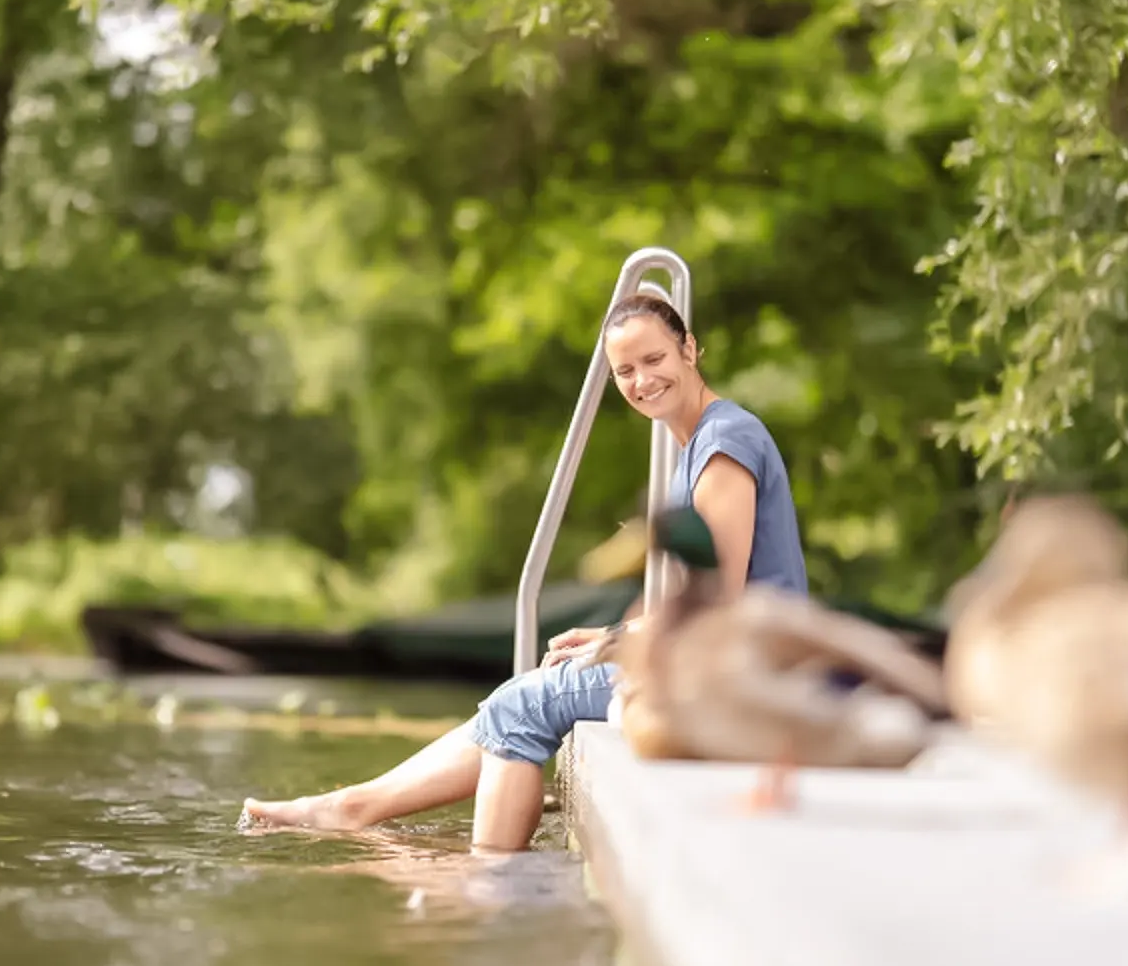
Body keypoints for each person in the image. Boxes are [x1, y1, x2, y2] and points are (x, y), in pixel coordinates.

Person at [240, 291, 808, 850]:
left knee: (525, 705)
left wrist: (624, 643)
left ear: (690, 349)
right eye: (624, 370)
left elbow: (720, 602)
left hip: (735, 675)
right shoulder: (700, 443)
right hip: (718, 662)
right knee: (524, 693)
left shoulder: (724, 443)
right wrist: (613, 636)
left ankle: (486, 882)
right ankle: (357, 807)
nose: (641, 381)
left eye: (654, 359)